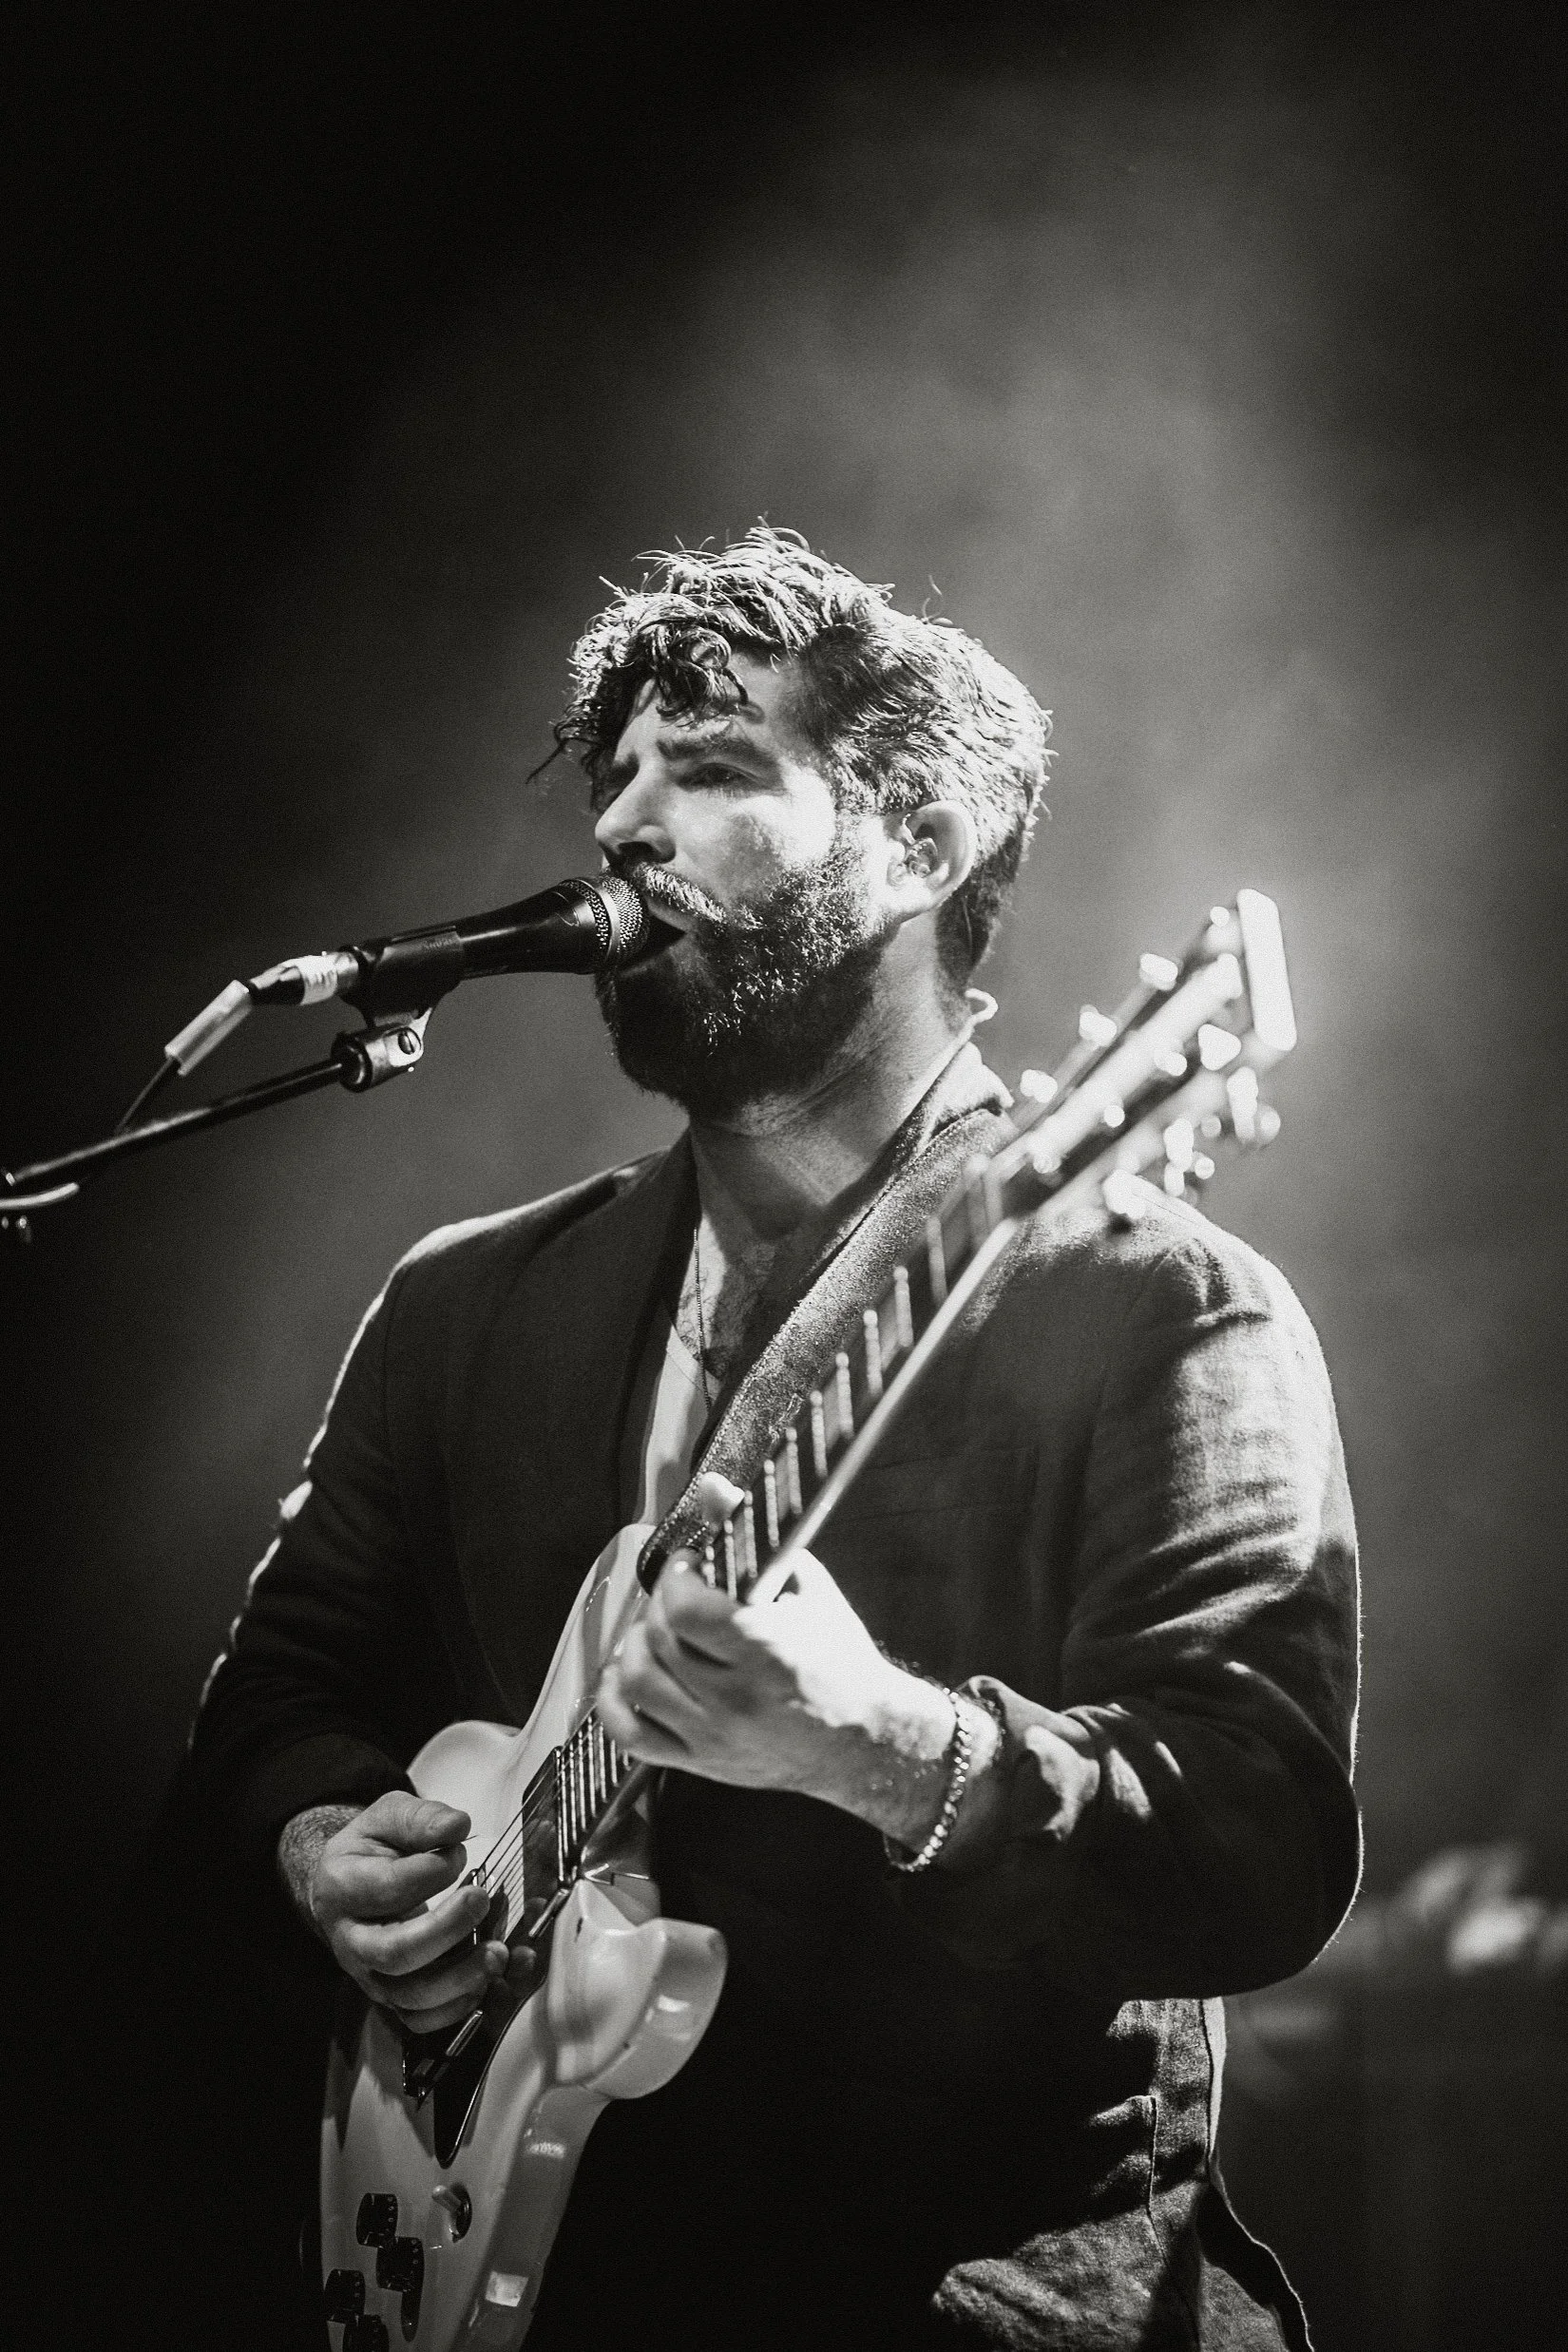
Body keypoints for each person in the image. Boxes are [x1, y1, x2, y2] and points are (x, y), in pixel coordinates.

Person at [185, 526, 1361, 2349]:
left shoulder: (1153, 1300)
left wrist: (887, 1746)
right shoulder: (467, 1302)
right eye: (619, 779)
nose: (623, 828)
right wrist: (315, 1840)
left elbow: (1262, 1842)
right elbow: (270, 1707)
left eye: (713, 765)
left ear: (921, 842)